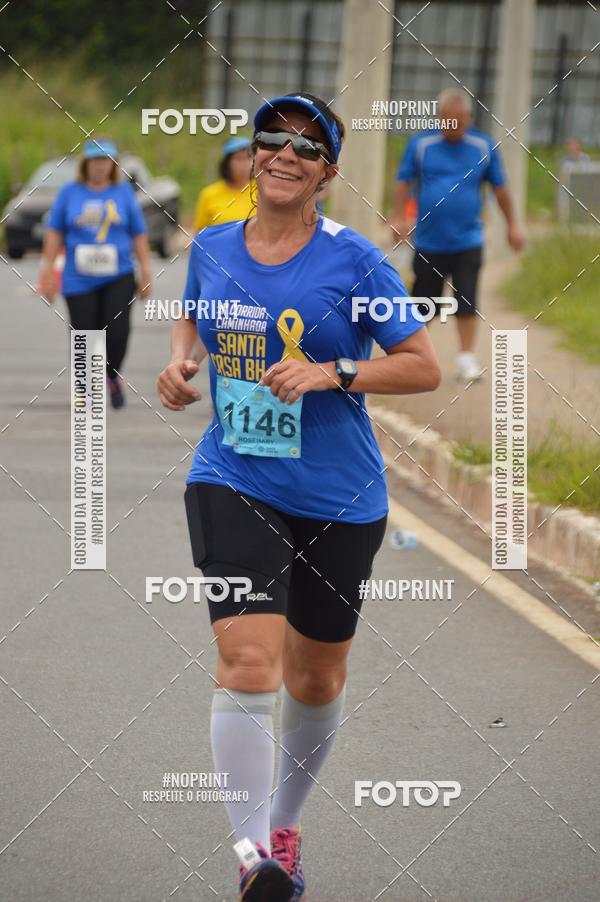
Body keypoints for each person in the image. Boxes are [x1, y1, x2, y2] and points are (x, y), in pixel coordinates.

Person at [158, 92, 441, 901]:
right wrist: (180, 365)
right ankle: (254, 858)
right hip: (233, 475)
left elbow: (422, 365)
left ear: (327, 174)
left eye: (307, 148)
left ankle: (284, 824)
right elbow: (193, 318)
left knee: (314, 680)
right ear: (251, 155)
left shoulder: (354, 262)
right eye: (272, 139)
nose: (285, 153)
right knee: (248, 660)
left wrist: (334, 371)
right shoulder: (212, 246)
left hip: (340, 495)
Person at [391, 88, 525, 382]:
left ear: (468, 118)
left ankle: (466, 359)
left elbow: (500, 189)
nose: (453, 127)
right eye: (447, 121)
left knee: (467, 299)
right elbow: (403, 181)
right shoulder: (422, 144)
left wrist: (513, 225)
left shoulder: (483, 145)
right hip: (428, 240)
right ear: (439, 118)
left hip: (468, 240)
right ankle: (413, 358)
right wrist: (399, 218)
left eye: (459, 121)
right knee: (425, 303)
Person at [39, 138, 151, 408]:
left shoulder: (123, 193)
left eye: (105, 161)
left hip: (118, 275)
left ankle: (112, 376)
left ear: (113, 165)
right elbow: (55, 233)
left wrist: (146, 271)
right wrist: (47, 272)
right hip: (78, 278)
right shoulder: (69, 193)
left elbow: (138, 233)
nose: (100, 166)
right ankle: (85, 389)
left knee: (116, 332)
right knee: (84, 333)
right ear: (86, 164)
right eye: (95, 161)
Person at [193, 136, 254, 231]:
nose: (244, 164)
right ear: (227, 163)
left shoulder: (262, 191)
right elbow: (200, 233)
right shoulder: (209, 194)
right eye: (238, 159)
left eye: (248, 158)